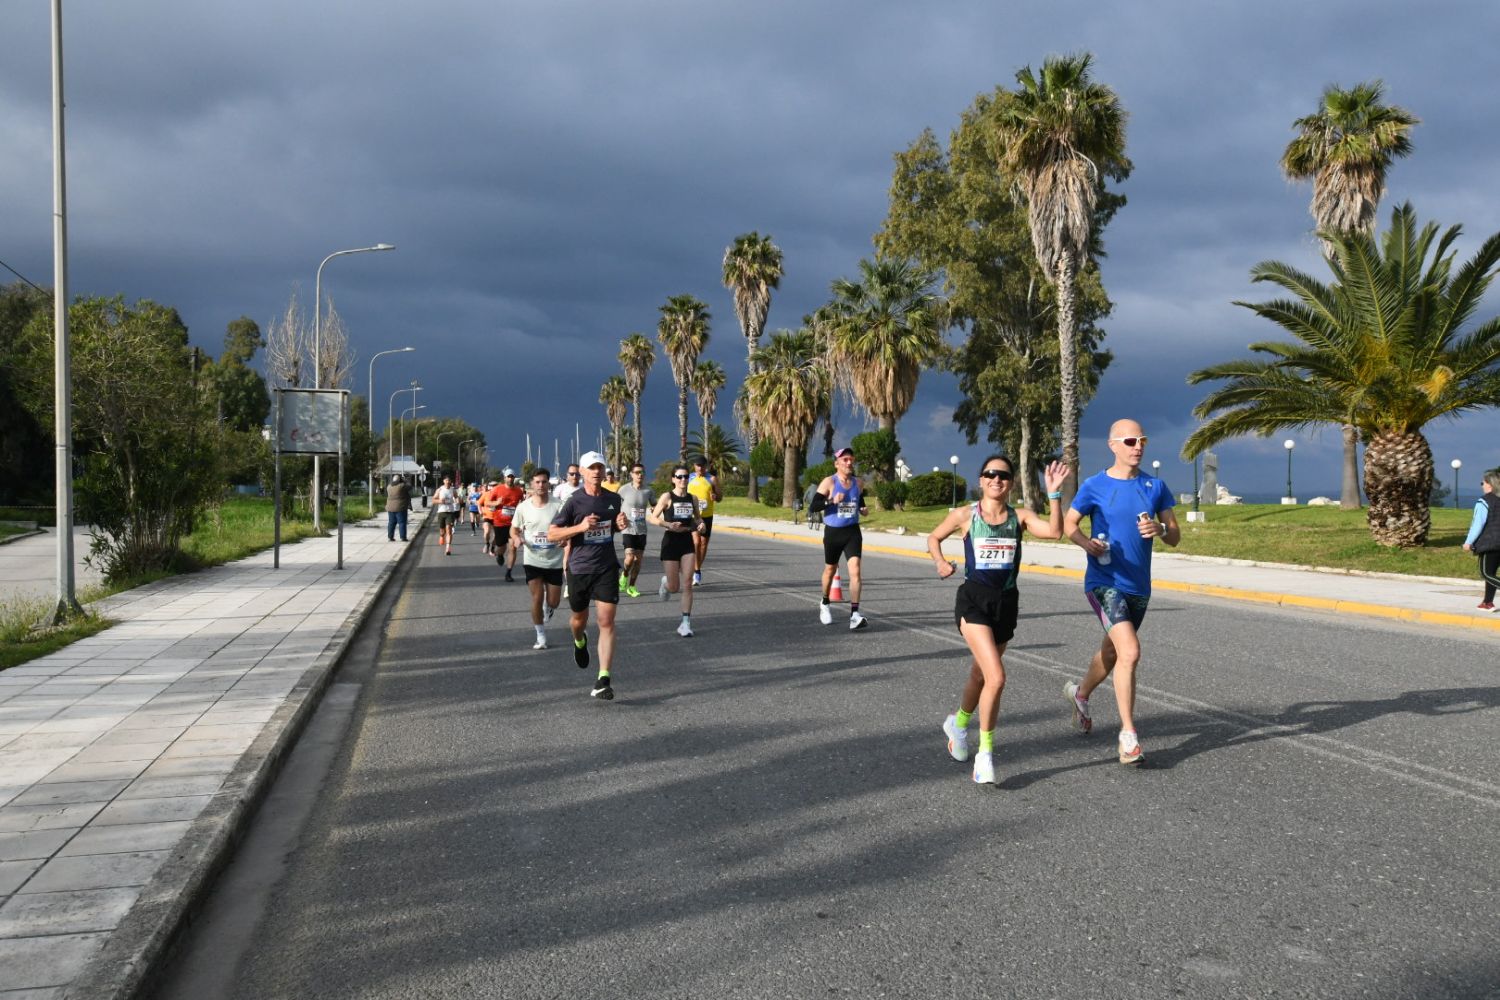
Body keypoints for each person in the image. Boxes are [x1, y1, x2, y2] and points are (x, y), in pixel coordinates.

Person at [928, 457, 1068, 785]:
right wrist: (939, 562)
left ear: (1011, 483)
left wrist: (1054, 494)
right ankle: (985, 754)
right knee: (996, 677)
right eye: (990, 474)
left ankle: (958, 724)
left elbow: (1054, 532)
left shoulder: (1020, 517)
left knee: (980, 674)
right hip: (973, 602)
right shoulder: (965, 515)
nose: (996, 479)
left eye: (1003, 475)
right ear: (981, 480)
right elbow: (934, 538)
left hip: (1005, 604)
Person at [1061, 420, 1180, 766]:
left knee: (1113, 652)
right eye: (1130, 441)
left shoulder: (1155, 487)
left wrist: (1160, 528)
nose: (1138, 446)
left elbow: (1175, 535)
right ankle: (1128, 737)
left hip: (1139, 587)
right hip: (1103, 581)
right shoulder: (1094, 486)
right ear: (1113, 445)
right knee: (1130, 651)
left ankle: (1080, 694)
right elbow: (1070, 525)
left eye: (1142, 440)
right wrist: (1087, 544)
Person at [548, 452, 630, 700]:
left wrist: (620, 525)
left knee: (606, 621)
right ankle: (579, 641)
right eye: (591, 468)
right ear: (582, 472)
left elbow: (612, 527)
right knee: (578, 620)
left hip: (606, 567)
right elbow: (553, 533)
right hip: (580, 568)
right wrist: (581, 527)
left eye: (600, 467)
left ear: (604, 472)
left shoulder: (614, 499)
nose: (596, 472)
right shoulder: (573, 501)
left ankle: (603, 679)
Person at [809, 446, 869, 630]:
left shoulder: (858, 483)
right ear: (837, 464)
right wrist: (831, 501)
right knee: (830, 569)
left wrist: (863, 509)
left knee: (855, 571)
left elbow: (859, 500)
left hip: (852, 531)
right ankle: (825, 602)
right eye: (845, 460)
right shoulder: (829, 482)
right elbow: (813, 506)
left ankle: (854, 615)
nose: (849, 463)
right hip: (833, 532)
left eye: (851, 460)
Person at [649, 464, 705, 636]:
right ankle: (666, 583)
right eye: (679, 477)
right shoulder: (667, 497)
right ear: (673, 479)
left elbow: (697, 518)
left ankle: (685, 624)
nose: (683, 480)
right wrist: (668, 524)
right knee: (674, 587)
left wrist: (701, 525)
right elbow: (653, 518)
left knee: (687, 583)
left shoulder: (692, 498)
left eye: (686, 476)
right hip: (671, 541)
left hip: (686, 541)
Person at [512, 468, 563, 649]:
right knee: (536, 598)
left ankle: (549, 608)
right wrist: (516, 538)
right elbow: (514, 529)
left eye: (544, 482)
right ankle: (540, 635)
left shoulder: (558, 505)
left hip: (554, 560)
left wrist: (565, 538)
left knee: (554, 602)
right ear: (532, 484)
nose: (541, 485)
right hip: (532, 559)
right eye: (537, 482)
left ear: (549, 483)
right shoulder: (523, 507)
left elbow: (567, 527)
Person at [1462, 468, 1500, 611]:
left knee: (1485, 573)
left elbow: (1477, 524)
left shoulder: (1484, 501)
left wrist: (1468, 542)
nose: (1482, 485)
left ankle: (1487, 602)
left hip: (1490, 543)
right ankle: (1487, 603)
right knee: (1491, 573)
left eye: (1482, 483)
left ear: (1489, 484)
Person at [616, 463, 654, 598]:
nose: (640, 475)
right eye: (637, 472)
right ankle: (625, 574)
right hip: (628, 528)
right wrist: (617, 518)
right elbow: (615, 505)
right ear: (631, 474)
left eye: (642, 472)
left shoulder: (648, 491)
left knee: (638, 560)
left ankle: (631, 586)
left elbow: (655, 505)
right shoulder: (623, 489)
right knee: (630, 557)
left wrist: (654, 508)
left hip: (641, 529)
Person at [686, 456, 721, 586]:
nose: (700, 468)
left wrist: (715, 496)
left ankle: (696, 570)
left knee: (703, 543)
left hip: (707, 516)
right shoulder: (688, 478)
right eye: (697, 465)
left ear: (706, 466)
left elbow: (720, 497)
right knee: (696, 542)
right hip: (692, 516)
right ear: (694, 466)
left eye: (702, 465)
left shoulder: (712, 479)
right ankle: (696, 571)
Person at [488, 470, 525, 581]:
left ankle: (508, 573)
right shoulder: (497, 489)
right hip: (499, 522)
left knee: (513, 547)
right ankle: (499, 555)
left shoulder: (518, 491)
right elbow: (488, 502)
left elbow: (523, 505)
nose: (510, 479)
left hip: (513, 523)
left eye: (512, 477)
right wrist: (496, 503)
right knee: (501, 547)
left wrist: (523, 520)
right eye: (508, 477)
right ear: (504, 478)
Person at [433, 476, 459, 555]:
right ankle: (441, 536)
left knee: (449, 529)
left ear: (450, 481)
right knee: (442, 530)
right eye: (446, 480)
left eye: (449, 480)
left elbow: (456, 497)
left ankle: (448, 548)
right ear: (444, 481)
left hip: (450, 512)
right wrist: (440, 501)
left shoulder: (453, 490)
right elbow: (433, 500)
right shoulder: (439, 489)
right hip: (441, 511)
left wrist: (457, 501)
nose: (448, 482)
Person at [385, 475, 412, 542]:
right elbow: (410, 487)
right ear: (400, 480)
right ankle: (403, 537)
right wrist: (405, 481)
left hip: (390, 507)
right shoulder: (402, 486)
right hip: (400, 507)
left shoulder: (389, 486)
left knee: (391, 522)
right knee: (402, 522)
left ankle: (390, 537)